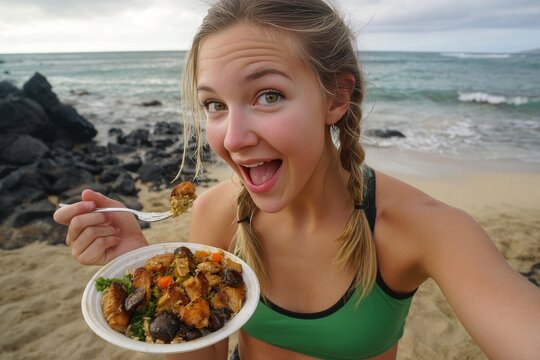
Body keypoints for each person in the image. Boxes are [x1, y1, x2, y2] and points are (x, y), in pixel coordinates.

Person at [53, 0, 540, 359]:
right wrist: (150, 278)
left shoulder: (426, 228)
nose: (234, 137)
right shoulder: (216, 213)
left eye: (268, 95)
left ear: (335, 97)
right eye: (215, 105)